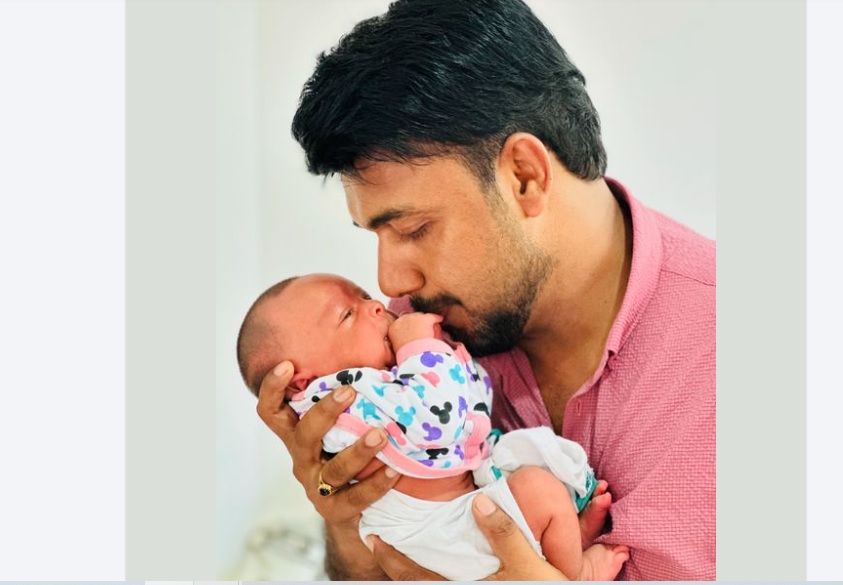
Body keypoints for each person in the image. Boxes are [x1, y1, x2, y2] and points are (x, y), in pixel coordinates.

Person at [256, 0, 715, 580]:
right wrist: (347, 521)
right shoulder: (406, 346)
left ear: (525, 175)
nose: (391, 282)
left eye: (414, 228)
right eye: (376, 234)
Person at [237, 272, 630, 580]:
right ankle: (576, 570)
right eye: (347, 315)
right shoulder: (343, 403)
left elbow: (468, 396)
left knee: (536, 479)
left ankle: (560, 544)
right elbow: (438, 419)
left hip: (456, 523)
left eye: (363, 297)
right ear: (298, 383)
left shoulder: (375, 387)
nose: (377, 305)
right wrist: (420, 348)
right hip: (445, 539)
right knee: (538, 490)